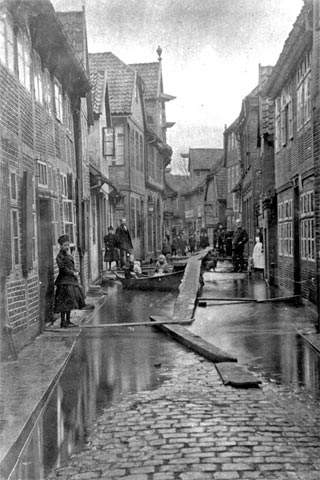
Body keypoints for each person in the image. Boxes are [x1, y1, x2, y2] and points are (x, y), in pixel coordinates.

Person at [54, 234, 86, 328]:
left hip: (71, 281)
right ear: (61, 246)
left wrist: (76, 271)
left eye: (68, 245)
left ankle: (68, 320)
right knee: (64, 303)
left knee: (70, 302)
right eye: (65, 245)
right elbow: (63, 268)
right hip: (64, 282)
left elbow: (71, 267)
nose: (67, 247)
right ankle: (63, 321)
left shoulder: (69, 256)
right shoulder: (59, 257)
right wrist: (72, 273)